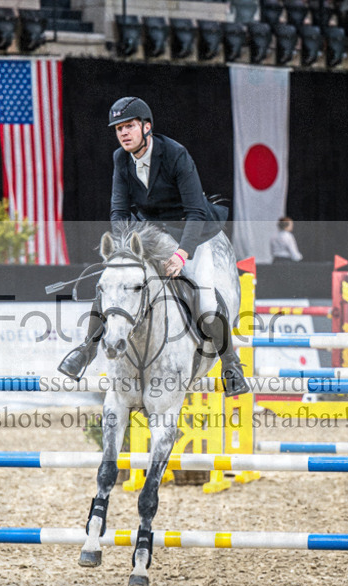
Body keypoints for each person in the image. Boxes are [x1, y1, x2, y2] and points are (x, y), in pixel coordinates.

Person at [57, 96, 249, 396]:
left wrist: (182, 254)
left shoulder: (175, 154)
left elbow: (196, 212)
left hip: (190, 232)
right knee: (113, 280)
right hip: (149, 233)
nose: (123, 133)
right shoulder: (121, 159)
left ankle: (231, 365)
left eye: (129, 126)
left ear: (146, 127)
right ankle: (86, 349)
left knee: (207, 302)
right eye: (119, 128)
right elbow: (119, 211)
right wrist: (122, 250)